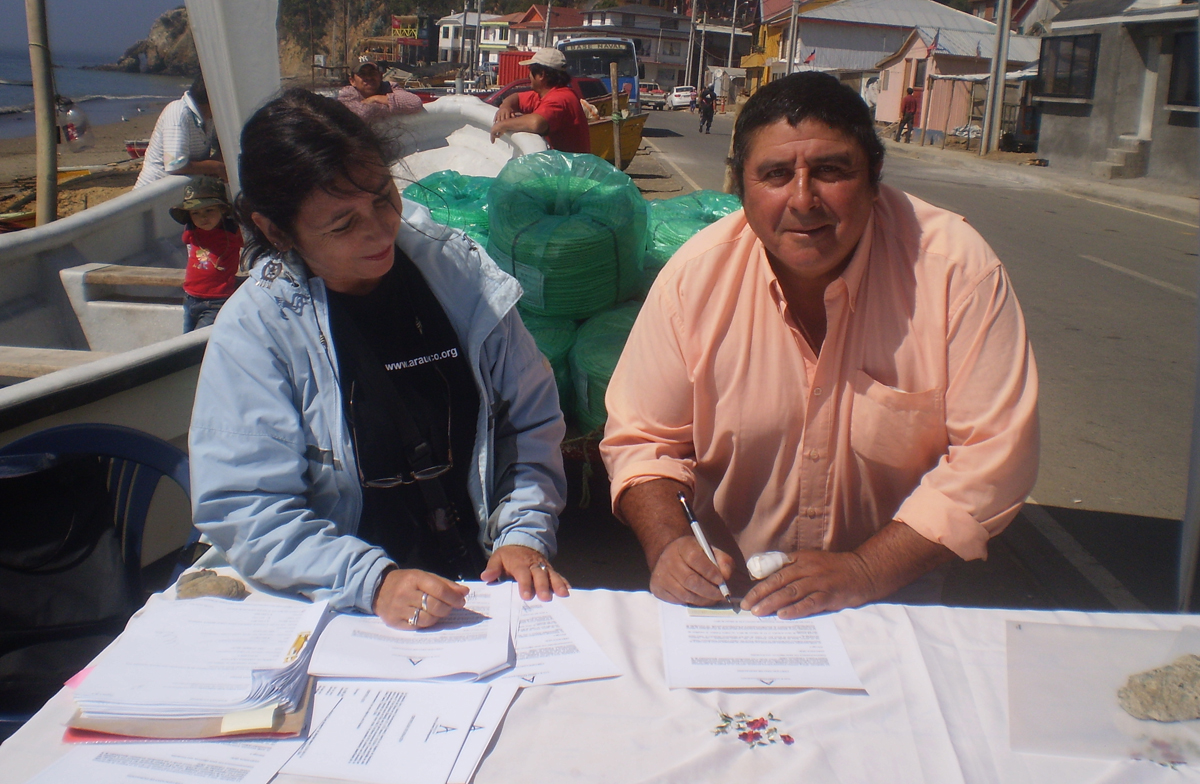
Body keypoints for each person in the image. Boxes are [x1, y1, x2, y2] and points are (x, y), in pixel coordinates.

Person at [600, 72, 1038, 619]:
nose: (803, 199)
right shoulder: (694, 280)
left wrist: (866, 571)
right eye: (775, 174)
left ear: (874, 178)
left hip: (892, 595)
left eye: (831, 171)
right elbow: (642, 441)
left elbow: (994, 457)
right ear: (739, 186)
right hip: (731, 597)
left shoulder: (956, 272)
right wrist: (669, 544)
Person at [189, 89, 570, 630]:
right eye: (342, 225)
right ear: (276, 230)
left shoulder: (459, 275)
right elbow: (247, 507)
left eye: (384, 197)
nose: (379, 229)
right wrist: (372, 581)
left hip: (478, 588)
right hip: (343, 610)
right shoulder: (257, 331)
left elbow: (530, 422)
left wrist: (523, 534)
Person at [169, 176, 243, 332]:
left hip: (217, 300)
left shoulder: (233, 232)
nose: (203, 217)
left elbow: (252, 243)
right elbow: (186, 241)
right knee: (187, 337)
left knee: (199, 340)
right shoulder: (191, 231)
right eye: (195, 213)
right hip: (190, 296)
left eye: (209, 210)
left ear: (223, 209)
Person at [490, 48, 591, 154]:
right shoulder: (545, 94)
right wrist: (506, 107)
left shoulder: (560, 99)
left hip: (571, 164)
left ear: (541, 75)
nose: (528, 76)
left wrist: (503, 124)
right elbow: (516, 97)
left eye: (530, 70)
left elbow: (536, 123)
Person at [134, 74, 225, 188]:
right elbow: (175, 165)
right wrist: (216, 167)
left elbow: (222, 146)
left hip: (181, 190)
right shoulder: (179, 112)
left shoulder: (208, 117)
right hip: (153, 190)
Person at [337, 60, 425, 122]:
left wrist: (376, 98)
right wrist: (395, 108)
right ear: (352, 81)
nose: (369, 77)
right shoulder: (346, 94)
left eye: (372, 73)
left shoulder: (389, 87)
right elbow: (364, 113)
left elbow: (415, 103)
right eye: (362, 74)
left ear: (380, 76)